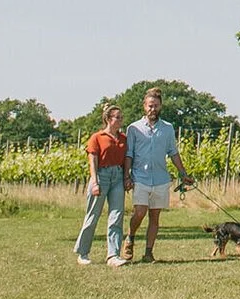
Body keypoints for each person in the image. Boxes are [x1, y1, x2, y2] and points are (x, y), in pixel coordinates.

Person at [123, 87, 191, 262]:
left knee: (155, 216)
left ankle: (148, 252)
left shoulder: (167, 128)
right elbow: (129, 154)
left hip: (160, 179)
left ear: (160, 107)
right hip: (140, 177)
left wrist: (183, 173)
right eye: (150, 106)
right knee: (140, 212)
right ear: (144, 106)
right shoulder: (134, 128)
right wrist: (127, 176)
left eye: (156, 106)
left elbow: (173, 153)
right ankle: (130, 237)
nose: (153, 109)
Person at [74, 103, 129, 267]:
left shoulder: (123, 138)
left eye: (121, 117)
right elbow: (93, 161)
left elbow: (127, 159)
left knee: (116, 216)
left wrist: (127, 177)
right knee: (92, 215)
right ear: (108, 119)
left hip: (117, 176)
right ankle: (83, 252)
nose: (120, 120)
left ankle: (113, 255)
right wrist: (95, 182)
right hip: (101, 175)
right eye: (117, 118)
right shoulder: (97, 137)